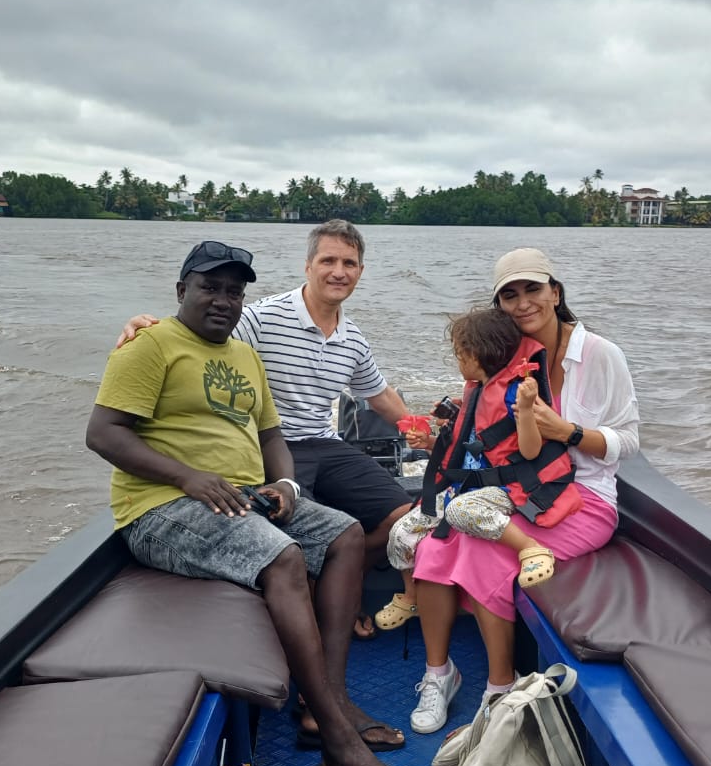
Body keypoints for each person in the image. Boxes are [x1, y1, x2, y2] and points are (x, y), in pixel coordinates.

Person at [87, 239, 421, 766]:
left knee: (342, 534)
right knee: (284, 557)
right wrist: (188, 477)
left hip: (242, 496)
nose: (222, 300)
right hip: (162, 509)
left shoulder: (243, 356)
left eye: (233, 291)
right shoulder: (150, 347)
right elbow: (104, 433)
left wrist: (286, 485)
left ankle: (328, 703)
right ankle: (340, 749)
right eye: (209, 287)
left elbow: (270, 435)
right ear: (181, 291)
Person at [118, 220, 414, 640]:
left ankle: (342, 581)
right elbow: (198, 331)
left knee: (405, 517)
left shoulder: (353, 339)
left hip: (324, 443)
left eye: (349, 263)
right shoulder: (261, 317)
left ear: (360, 272)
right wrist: (145, 325)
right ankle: (330, 601)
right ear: (308, 265)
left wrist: (425, 430)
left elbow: (380, 395)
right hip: (270, 448)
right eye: (328, 260)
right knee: (293, 535)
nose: (338, 271)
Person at [408, 248, 640, 734]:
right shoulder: (507, 355)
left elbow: (628, 443)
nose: (523, 303)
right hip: (515, 490)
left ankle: (500, 688)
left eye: (532, 289)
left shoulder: (599, 355)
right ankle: (438, 674)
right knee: (433, 542)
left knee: (485, 553)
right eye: (509, 295)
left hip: (584, 499)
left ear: (555, 292)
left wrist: (568, 432)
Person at [386, 306, 584, 623]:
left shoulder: (515, 394)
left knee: (461, 511)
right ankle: (411, 596)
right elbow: (467, 448)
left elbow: (531, 452)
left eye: (460, 354)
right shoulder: (476, 393)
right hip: (467, 484)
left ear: (478, 356)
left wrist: (526, 411)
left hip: (506, 488)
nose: (458, 360)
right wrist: (431, 443)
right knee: (400, 534)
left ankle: (531, 548)